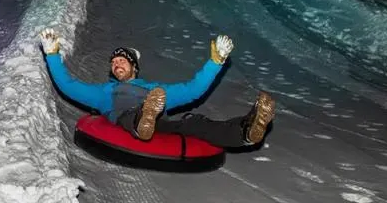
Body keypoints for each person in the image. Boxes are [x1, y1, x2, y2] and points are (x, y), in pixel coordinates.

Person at [39, 29, 275, 148]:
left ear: (134, 67)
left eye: (122, 60)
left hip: (158, 118)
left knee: (193, 122)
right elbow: (68, 86)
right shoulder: (104, 93)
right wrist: (52, 55)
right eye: (113, 63)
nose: (116, 64)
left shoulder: (154, 90)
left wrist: (216, 61)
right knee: (130, 115)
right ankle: (142, 119)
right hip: (128, 118)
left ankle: (246, 129)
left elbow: (193, 90)